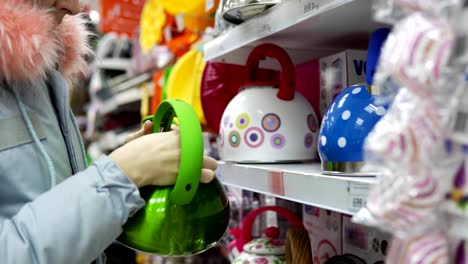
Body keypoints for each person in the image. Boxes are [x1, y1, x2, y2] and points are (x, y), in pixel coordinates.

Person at [0, 1, 218, 263]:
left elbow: (41, 201)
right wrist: (119, 176)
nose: (77, 7)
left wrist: (132, 167)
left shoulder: (40, 70)